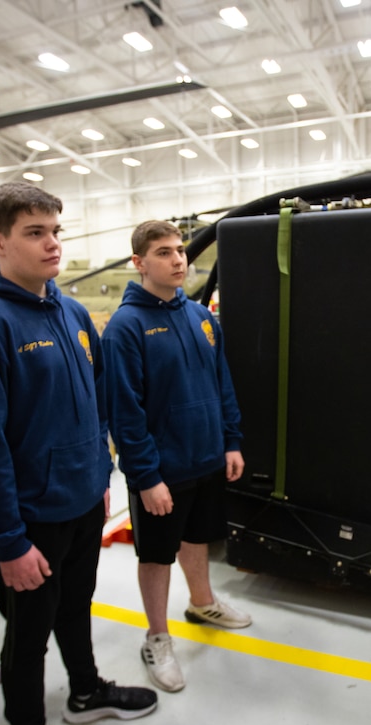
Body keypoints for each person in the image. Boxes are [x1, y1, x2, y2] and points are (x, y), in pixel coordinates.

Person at [0, 182, 156, 725]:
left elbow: (92, 404)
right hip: (29, 521)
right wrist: (8, 541)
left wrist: (99, 479)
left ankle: (87, 690)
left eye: (56, 230)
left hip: (82, 500)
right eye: (35, 232)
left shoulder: (68, 312)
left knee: (76, 605)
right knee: (27, 638)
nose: (52, 244)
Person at [102, 220, 249, 693]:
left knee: (198, 537)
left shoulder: (201, 318)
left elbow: (221, 385)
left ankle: (202, 602)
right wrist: (145, 477)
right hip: (161, 471)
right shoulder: (126, 328)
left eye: (180, 251)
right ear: (139, 263)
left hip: (206, 458)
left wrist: (230, 440)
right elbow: (125, 413)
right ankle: (157, 636)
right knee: (157, 554)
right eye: (163, 252)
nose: (178, 260)